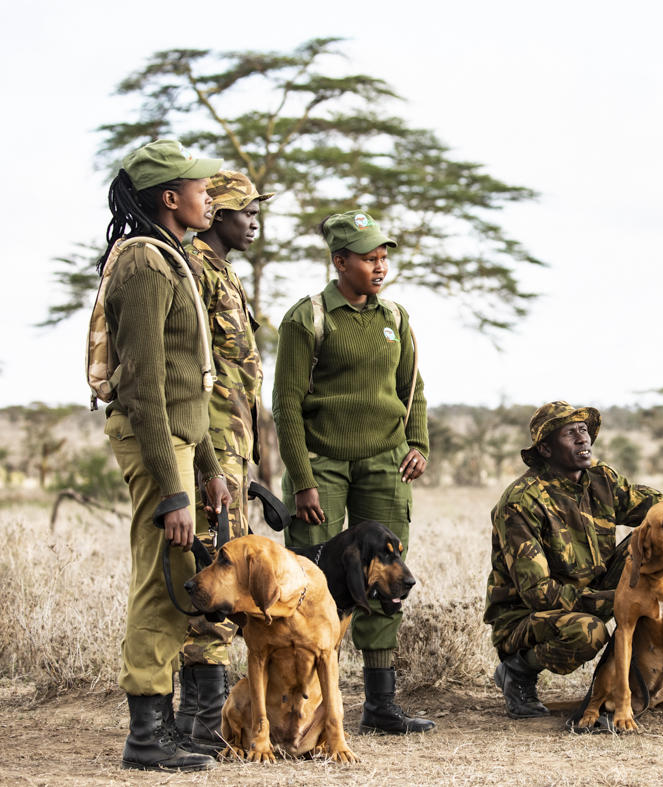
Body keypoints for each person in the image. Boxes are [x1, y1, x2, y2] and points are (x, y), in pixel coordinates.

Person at [271, 210, 434, 734]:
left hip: (385, 463)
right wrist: (302, 480)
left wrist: (419, 443)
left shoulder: (396, 318)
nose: (379, 267)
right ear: (339, 262)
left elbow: (413, 389)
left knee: (387, 579)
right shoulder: (307, 318)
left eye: (384, 257)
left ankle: (382, 705)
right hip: (323, 466)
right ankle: (303, 699)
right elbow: (286, 405)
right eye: (368, 258)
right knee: (311, 579)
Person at [98, 139, 231, 771]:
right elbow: (146, 388)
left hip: (180, 443)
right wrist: (173, 490)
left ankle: (165, 727)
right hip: (154, 445)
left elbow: (188, 383)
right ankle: (146, 736)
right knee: (160, 580)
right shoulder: (146, 267)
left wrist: (207, 470)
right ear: (170, 198)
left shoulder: (169, 256)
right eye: (201, 188)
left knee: (182, 578)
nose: (211, 196)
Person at [484, 401, 663, 719]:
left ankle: (648, 671)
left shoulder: (600, 478)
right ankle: (517, 672)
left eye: (584, 430)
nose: (582, 439)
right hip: (526, 616)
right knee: (589, 632)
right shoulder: (522, 502)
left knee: (651, 539)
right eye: (569, 433)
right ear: (545, 450)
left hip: (592, 589)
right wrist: (617, 599)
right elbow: (539, 594)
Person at [175, 170, 273, 752]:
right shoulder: (194, 271)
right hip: (206, 449)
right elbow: (191, 369)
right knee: (215, 575)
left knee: (225, 569)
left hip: (231, 452)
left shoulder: (225, 273)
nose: (254, 221)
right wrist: (212, 462)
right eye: (245, 211)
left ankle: (200, 721)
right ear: (215, 216)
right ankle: (201, 725)